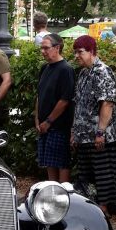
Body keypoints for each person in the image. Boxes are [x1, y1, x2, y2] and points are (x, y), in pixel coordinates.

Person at [71, 35, 116, 212]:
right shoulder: (84, 73)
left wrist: (100, 132)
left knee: (103, 175)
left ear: (92, 51)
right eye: (75, 52)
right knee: (85, 176)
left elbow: (107, 103)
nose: (76, 56)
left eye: (80, 52)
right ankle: (89, 210)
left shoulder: (103, 71)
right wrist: (74, 132)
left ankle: (103, 212)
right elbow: (79, 104)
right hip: (83, 136)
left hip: (98, 136)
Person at [34, 34, 73, 183]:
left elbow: (65, 100)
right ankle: (52, 191)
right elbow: (39, 94)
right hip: (44, 125)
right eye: (41, 48)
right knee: (48, 162)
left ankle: (63, 193)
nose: (43, 51)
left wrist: (49, 121)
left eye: (46, 48)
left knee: (61, 162)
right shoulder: (44, 68)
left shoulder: (66, 69)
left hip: (59, 126)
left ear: (57, 48)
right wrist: (37, 119)